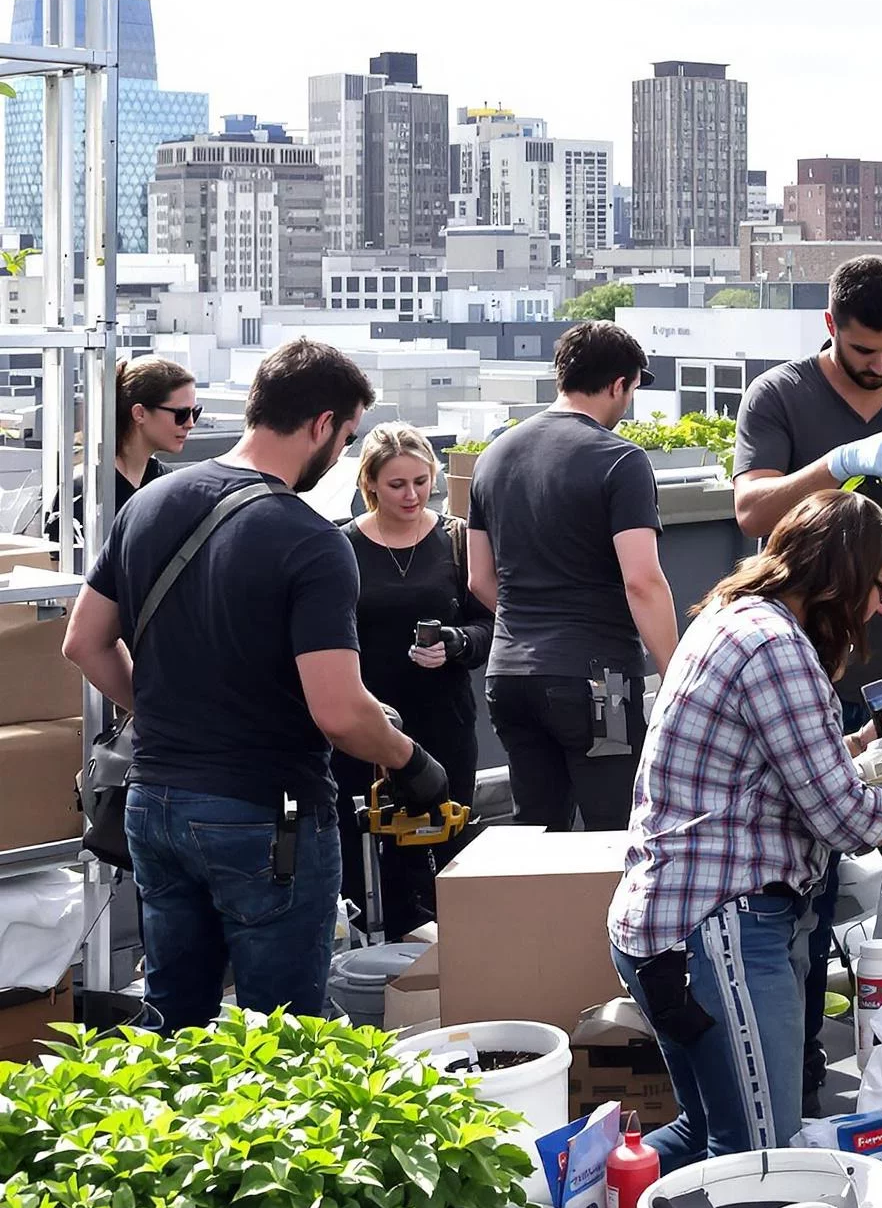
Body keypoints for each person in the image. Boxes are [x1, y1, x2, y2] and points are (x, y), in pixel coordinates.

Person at [608, 490, 882, 1164]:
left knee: (704, 1135)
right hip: (719, 931)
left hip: (669, 926)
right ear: (841, 569)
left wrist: (857, 744)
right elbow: (851, 820)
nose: (879, 607)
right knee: (760, 1157)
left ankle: (577, 1207)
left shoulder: (733, 617)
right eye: (880, 587)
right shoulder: (775, 648)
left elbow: (766, 771)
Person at [61, 338, 451, 1030]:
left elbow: (84, 642)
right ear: (323, 424)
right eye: (347, 436)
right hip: (266, 816)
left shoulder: (152, 502)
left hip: (154, 804)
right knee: (285, 1040)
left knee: (173, 1027)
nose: (340, 455)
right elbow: (337, 711)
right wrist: (409, 761)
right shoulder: (311, 541)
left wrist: (160, 712)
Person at [732, 255, 882, 1110]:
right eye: (865, 350)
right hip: (802, 673)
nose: (881, 366)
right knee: (801, 877)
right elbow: (752, 513)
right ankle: (796, 1064)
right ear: (831, 327)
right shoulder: (782, 397)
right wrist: (839, 461)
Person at [467, 321, 679, 832]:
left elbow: (478, 578)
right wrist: (678, 670)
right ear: (618, 384)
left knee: (537, 835)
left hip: (509, 678)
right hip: (597, 682)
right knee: (616, 834)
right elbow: (642, 581)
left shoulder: (493, 457)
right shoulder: (619, 459)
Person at [337, 424, 493, 939]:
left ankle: (450, 963)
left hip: (442, 720)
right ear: (371, 484)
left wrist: (457, 642)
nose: (411, 495)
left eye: (422, 482)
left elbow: (494, 623)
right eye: (398, 484)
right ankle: (380, 964)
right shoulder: (342, 545)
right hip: (365, 724)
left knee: (446, 846)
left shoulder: (456, 539)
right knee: (367, 854)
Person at [44, 354, 198, 544]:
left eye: (195, 412)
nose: (190, 424)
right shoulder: (82, 491)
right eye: (181, 414)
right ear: (139, 413)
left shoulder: (171, 485)